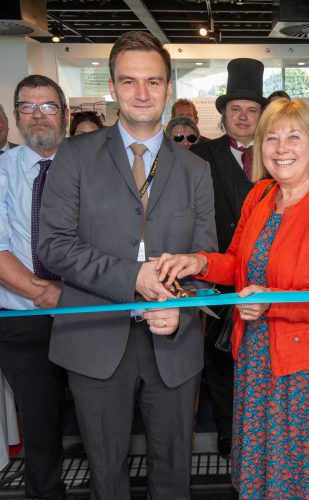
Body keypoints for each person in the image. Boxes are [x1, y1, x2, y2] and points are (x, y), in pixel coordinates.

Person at [38, 31, 217, 500]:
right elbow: (53, 246)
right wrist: (130, 277)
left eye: (153, 82)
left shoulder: (196, 169)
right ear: (113, 88)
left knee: (174, 472)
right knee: (105, 471)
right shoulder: (75, 156)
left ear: (168, 87)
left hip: (172, 340)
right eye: (130, 81)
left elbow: (205, 257)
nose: (142, 93)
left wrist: (180, 304)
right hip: (94, 336)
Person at [156, 98, 309, 498]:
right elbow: (236, 262)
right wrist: (196, 260)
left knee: (301, 475)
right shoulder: (262, 196)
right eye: (271, 137)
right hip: (254, 356)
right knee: (263, 469)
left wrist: (271, 303)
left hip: (306, 371)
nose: (281, 147)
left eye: (293, 136)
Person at [190, 57, 267, 458]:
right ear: (223, 114)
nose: (242, 116)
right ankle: (226, 430)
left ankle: (260, 431)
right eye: (235, 109)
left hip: (270, 280)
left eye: (251, 109)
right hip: (216, 275)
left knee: (262, 357)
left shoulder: (280, 155)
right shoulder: (200, 155)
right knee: (219, 359)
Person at [0, 74, 68, 499]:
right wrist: (44, 293)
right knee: (40, 429)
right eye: (28, 106)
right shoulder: (3, 171)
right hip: (23, 320)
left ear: (64, 112)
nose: (38, 115)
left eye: (48, 106)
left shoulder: (91, 168)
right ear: (17, 116)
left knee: (102, 422)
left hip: (90, 318)